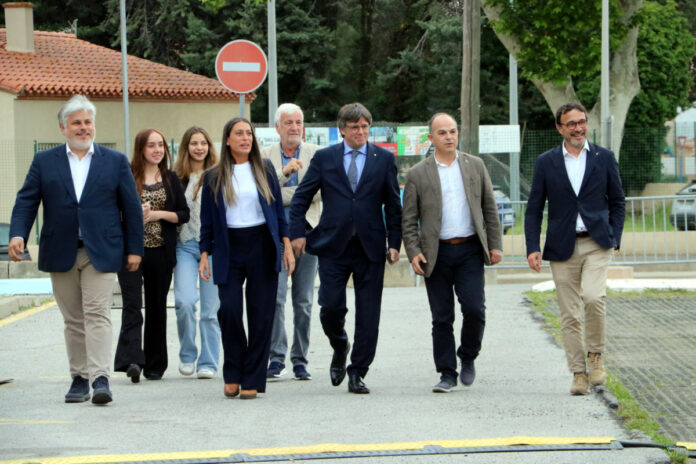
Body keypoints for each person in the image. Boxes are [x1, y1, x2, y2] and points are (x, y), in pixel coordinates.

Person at [8, 94, 143, 405]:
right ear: (63, 128)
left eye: (87, 122)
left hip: (102, 251)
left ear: (94, 125)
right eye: (76, 123)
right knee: (73, 318)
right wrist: (17, 234)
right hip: (61, 249)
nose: (83, 128)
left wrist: (134, 249)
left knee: (97, 313)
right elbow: (26, 200)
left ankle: (100, 378)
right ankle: (79, 378)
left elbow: (131, 208)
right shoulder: (44, 161)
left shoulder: (115, 161)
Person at [289, 102, 402, 394]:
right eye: (354, 127)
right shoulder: (325, 158)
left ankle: (358, 370)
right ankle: (340, 345)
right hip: (333, 246)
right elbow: (301, 197)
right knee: (330, 306)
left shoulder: (383, 159)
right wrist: (297, 233)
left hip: (370, 247)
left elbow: (393, 205)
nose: (360, 132)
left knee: (369, 313)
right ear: (342, 130)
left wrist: (394, 243)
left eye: (364, 127)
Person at [525, 102, 625, 396]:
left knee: (593, 298)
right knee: (569, 313)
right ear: (560, 128)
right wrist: (532, 247)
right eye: (571, 124)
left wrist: (615, 236)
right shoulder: (546, 162)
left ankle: (596, 355)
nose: (578, 128)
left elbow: (618, 201)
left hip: (597, 242)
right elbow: (534, 208)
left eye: (581, 122)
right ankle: (578, 373)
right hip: (561, 246)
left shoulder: (604, 158)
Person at [402, 113, 503, 393]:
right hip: (435, 254)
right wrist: (413, 252)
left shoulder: (475, 166)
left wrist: (495, 244)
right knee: (442, 317)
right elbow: (408, 220)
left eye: (453, 131)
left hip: (470, 250)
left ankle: (468, 354)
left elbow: (489, 208)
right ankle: (447, 373)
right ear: (431, 138)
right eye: (442, 132)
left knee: (474, 309)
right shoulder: (418, 174)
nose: (449, 137)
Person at [199, 117, 295, 400]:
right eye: (238, 134)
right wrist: (204, 255)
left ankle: (252, 378)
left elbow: (277, 212)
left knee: (261, 314)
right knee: (228, 310)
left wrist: (286, 246)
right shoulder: (213, 175)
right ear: (227, 140)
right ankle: (233, 372)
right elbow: (207, 220)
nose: (245, 138)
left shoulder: (264, 168)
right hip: (228, 246)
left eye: (249, 134)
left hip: (262, 244)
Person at [114, 129, 190, 382]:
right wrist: (135, 212)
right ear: (141, 149)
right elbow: (115, 210)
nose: (157, 150)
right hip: (131, 251)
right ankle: (132, 360)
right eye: (151, 145)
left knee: (157, 306)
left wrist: (157, 214)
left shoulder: (170, 178)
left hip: (161, 252)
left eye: (160, 145)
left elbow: (183, 214)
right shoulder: (127, 176)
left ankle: (155, 364)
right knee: (132, 305)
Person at [262, 103, 321, 381]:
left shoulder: (316, 154)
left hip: (308, 234)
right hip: (274, 237)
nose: (294, 127)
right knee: (275, 299)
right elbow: (264, 192)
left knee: (304, 301)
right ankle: (276, 357)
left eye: (298, 122)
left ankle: (300, 359)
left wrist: (284, 193)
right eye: (288, 122)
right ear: (277, 127)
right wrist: (284, 173)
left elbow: (320, 192)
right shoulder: (264, 156)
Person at [173, 127, 222, 379]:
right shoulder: (175, 177)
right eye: (194, 143)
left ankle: (208, 362)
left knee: (210, 311)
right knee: (185, 302)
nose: (199, 147)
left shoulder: (220, 175)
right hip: (184, 245)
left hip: (212, 247)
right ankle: (187, 355)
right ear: (186, 147)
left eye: (204, 143)